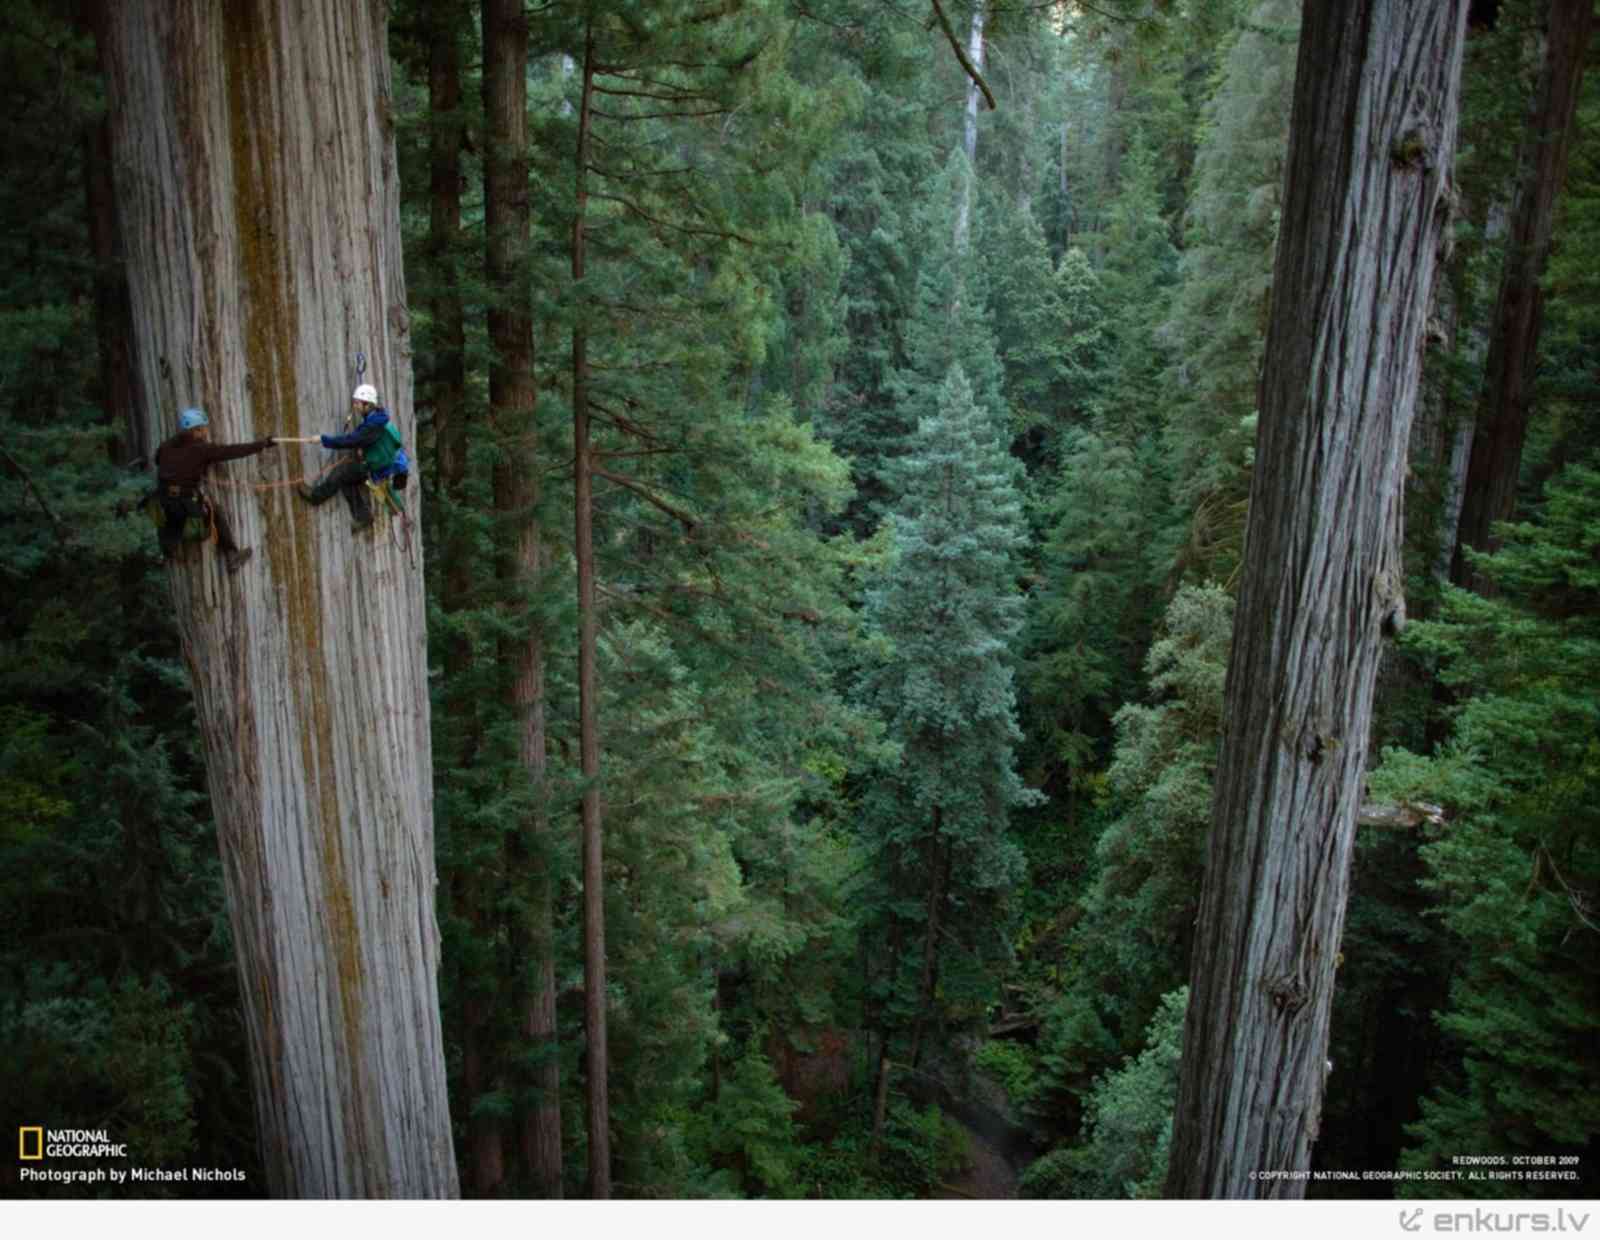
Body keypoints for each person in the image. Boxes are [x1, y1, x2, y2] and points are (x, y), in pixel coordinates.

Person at [153, 407, 277, 573]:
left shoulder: (166, 445)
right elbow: (232, 451)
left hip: (162, 502)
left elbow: (157, 460)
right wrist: (262, 444)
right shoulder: (202, 449)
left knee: (171, 517)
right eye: (204, 428)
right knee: (214, 511)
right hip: (184, 503)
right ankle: (232, 555)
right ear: (196, 429)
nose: (206, 431)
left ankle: (163, 554)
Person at [297, 383, 410, 531]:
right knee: (347, 482)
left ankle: (315, 497)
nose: (355, 406)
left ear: (367, 404)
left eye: (357, 403)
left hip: (374, 467)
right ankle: (364, 518)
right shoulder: (378, 417)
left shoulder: (373, 424)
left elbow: (351, 440)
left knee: (341, 473)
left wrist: (323, 439)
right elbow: (367, 439)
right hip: (381, 464)